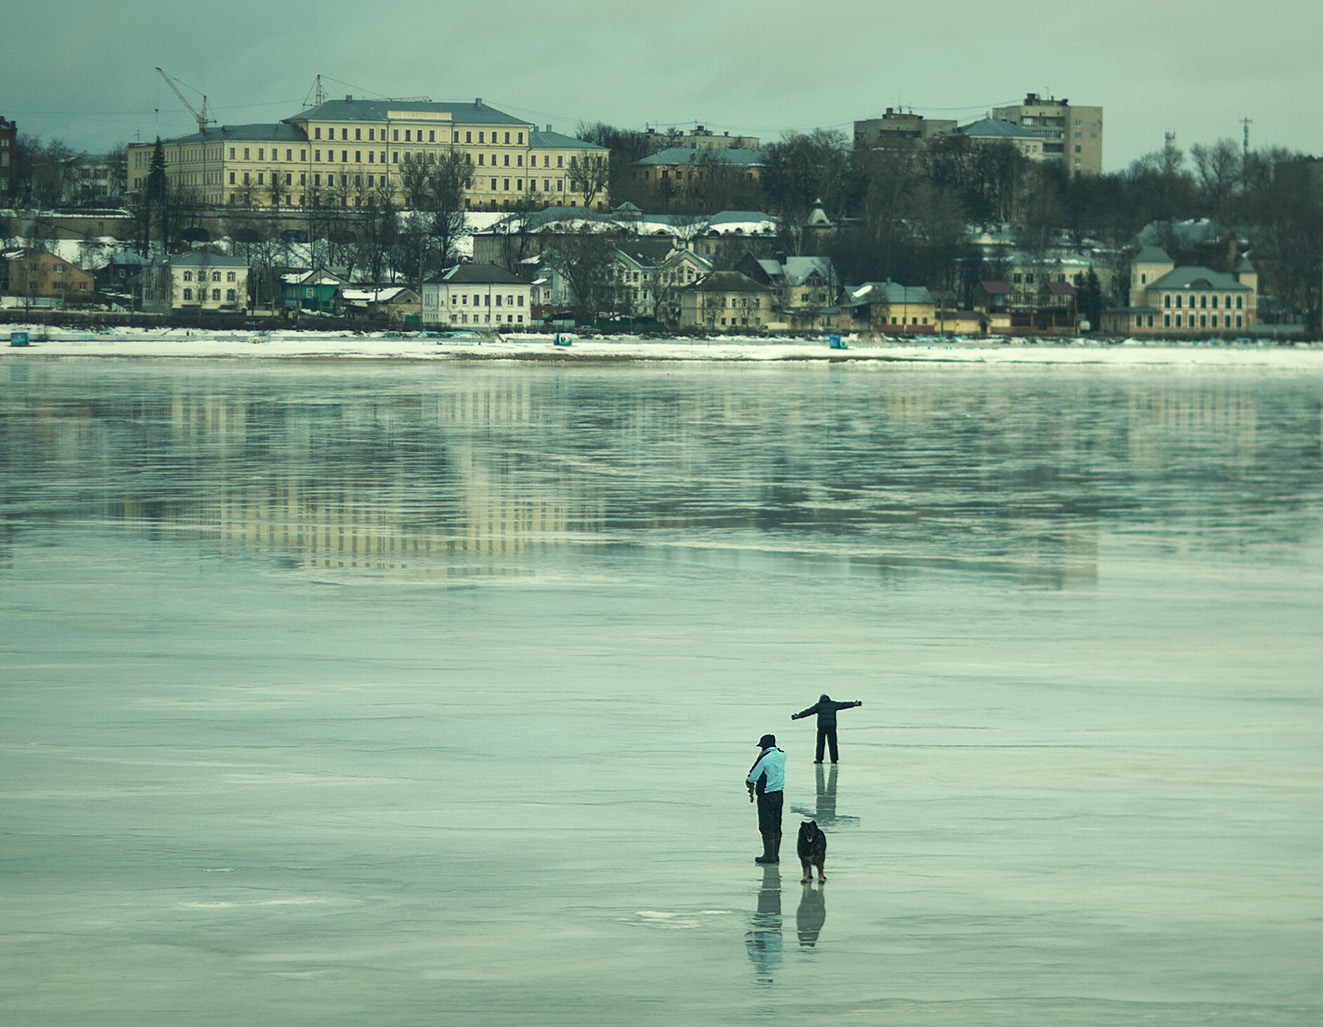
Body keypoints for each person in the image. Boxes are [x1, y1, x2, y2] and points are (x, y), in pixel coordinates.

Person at [746, 733, 785, 865]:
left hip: (766, 796)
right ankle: (775, 854)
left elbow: (753, 777)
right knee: (776, 824)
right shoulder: (782, 755)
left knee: (766, 826)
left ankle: (769, 856)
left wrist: (749, 783)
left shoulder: (764, 759)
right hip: (779, 794)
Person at [791, 694, 863, 764]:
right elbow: (843, 705)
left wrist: (798, 715)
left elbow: (808, 711)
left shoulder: (818, 706)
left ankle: (819, 759)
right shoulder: (833, 704)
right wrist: (854, 703)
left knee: (820, 743)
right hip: (831, 726)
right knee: (832, 743)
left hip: (822, 727)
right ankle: (834, 759)